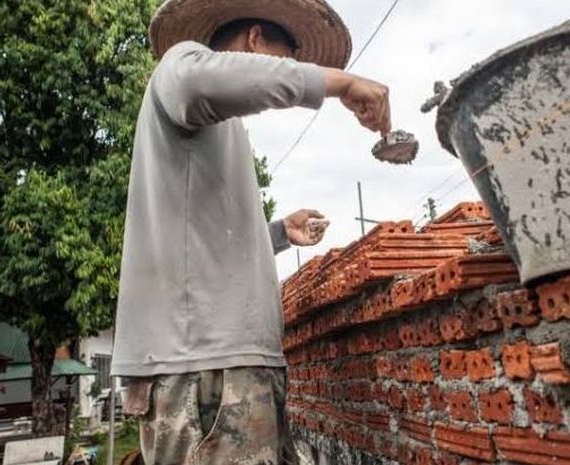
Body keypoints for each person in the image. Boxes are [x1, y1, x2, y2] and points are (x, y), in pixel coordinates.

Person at [110, 0, 391, 464]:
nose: (286, 76)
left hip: (221, 371)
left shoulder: (220, 126)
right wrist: (340, 83)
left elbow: (202, 239)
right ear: (256, 40)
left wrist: (279, 232)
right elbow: (214, 80)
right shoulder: (181, 64)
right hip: (204, 371)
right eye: (285, 62)